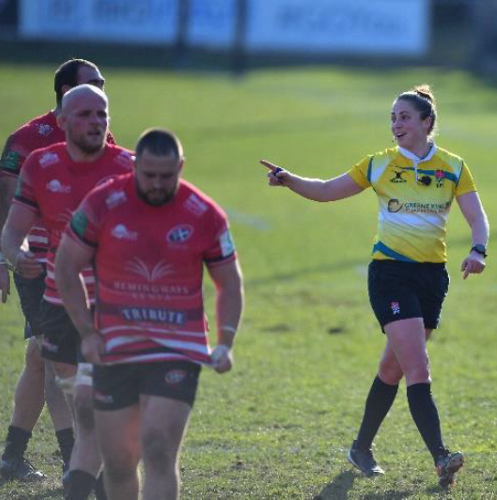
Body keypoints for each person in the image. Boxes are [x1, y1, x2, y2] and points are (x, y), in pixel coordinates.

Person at [261, 84, 489, 488]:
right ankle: (441, 457)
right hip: (390, 274)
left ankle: (360, 448)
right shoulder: (379, 164)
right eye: (392, 117)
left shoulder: (453, 166)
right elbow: (329, 190)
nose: (396, 124)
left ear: (426, 123)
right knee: (418, 366)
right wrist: (289, 179)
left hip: (432, 278)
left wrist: (478, 250)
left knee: (393, 366)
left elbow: (478, 218)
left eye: (404, 117)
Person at [54, 128, 244, 500]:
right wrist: (87, 333)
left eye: (167, 176)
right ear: (135, 165)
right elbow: (65, 267)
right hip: (116, 346)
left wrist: (227, 340)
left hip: (177, 346)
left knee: (157, 446)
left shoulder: (205, 214)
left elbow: (230, 283)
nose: (158, 184)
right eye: (149, 175)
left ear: (181, 167)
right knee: (120, 461)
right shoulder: (102, 203)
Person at [1, 84, 132, 500]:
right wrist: (14, 253)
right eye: (85, 114)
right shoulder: (40, 163)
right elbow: (13, 228)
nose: (96, 122)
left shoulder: (129, 166)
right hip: (59, 302)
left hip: (114, 306)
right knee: (82, 404)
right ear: (60, 120)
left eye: (102, 114)